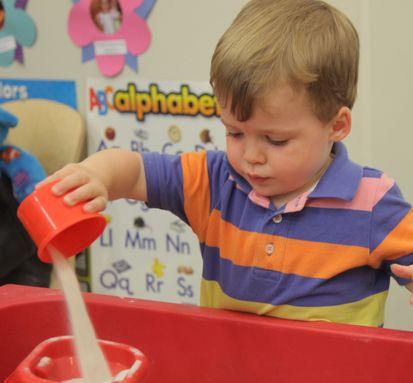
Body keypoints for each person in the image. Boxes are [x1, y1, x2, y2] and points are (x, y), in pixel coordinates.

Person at [41, 0, 413, 327]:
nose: (250, 156)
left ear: (337, 126)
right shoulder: (215, 181)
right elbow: (137, 169)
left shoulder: (373, 202)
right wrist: (97, 175)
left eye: (275, 140)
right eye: (234, 133)